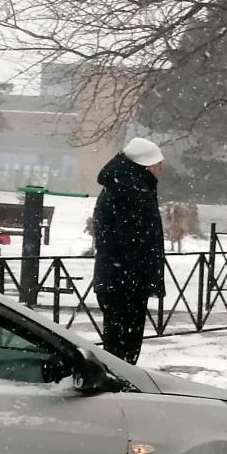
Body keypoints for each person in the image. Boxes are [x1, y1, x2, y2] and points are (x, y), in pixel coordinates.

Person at [93, 137, 166, 364]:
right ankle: (120, 386)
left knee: (116, 340)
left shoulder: (121, 186)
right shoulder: (133, 192)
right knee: (124, 345)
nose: (161, 169)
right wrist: (144, 276)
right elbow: (136, 241)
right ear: (147, 166)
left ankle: (118, 380)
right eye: (158, 164)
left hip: (116, 278)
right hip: (126, 281)